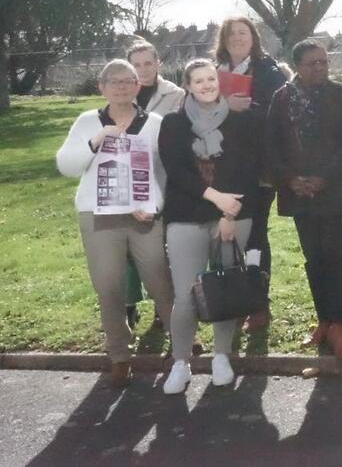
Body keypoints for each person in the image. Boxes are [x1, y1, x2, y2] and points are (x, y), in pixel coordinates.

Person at [56, 60, 175, 388]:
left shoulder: (154, 123)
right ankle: (119, 355)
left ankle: (180, 342)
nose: (122, 87)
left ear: (139, 86)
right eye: (115, 82)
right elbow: (66, 166)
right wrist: (95, 141)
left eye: (129, 81)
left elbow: (164, 172)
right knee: (108, 286)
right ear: (102, 87)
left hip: (142, 215)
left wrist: (154, 205)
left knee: (159, 280)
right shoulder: (87, 121)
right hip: (99, 215)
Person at [159, 58, 260, 394]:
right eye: (198, 81)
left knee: (225, 289)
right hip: (186, 215)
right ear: (187, 85)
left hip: (232, 217)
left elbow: (245, 171)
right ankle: (181, 362)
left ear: (219, 82)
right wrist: (216, 198)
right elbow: (178, 172)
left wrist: (228, 216)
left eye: (211, 79)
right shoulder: (173, 124)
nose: (206, 85)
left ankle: (221, 355)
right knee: (186, 296)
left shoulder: (240, 122)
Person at [266, 39, 342, 358]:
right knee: (314, 258)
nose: (320, 67)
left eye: (323, 62)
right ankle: (323, 320)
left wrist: (324, 178)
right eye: (312, 63)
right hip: (298, 193)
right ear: (297, 67)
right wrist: (291, 180)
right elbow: (272, 146)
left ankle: (339, 326)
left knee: (335, 258)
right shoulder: (281, 99)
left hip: (333, 190)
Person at [214, 15, 287, 333]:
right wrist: (221, 106)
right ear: (224, 40)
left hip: (258, 169)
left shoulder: (268, 71)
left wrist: (240, 110)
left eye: (243, 33)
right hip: (220, 168)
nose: (238, 39)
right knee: (227, 234)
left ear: (253, 38)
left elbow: (277, 115)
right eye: (232, 34)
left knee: (255, 234)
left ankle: (259, 303)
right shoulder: (212, 72)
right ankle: (233, 298)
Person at [123, 41, 184, 329]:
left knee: (163, 247)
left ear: (158, 63)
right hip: (131, 180)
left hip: (166, 177)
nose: (143, 70)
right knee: (131, 246)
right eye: (137, 64)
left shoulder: (176, 95)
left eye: (148, 63)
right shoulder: (120, 94)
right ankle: (129, 304)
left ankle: (165, 307)